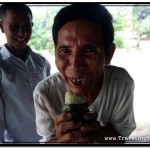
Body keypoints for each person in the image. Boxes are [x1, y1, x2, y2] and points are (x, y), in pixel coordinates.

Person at [33, 4, 136, 143]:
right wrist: (61, 142)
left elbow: (121, 137)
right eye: (65, 50)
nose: (75, 65)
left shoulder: (120, 84)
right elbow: (47, 142)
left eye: (88, 50)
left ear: (109, 54)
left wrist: (96, 132)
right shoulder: (45, 94)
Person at [0, 4, 51, 142]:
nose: (22, 33)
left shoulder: (42, 63)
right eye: (14, 26)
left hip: (48, 141)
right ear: (1, 26)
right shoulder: (2, 66)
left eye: (27, 27)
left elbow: (50, 104)